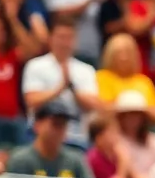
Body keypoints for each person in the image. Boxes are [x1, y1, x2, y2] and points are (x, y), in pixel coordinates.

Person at [22, 18, 103, 149]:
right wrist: (59, 89)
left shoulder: (86, 70)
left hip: (78, 138)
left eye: (69, 37)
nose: (65, 42)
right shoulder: (35, 65)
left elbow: (94, 105)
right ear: (51, 38)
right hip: (39, 136)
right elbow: (31, 101)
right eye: (61, 37)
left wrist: (72, 88)